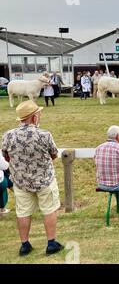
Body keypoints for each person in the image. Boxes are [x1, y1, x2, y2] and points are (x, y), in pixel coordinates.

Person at [2, 100, 64, 256]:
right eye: (39, 113)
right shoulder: (44, 135)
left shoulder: (8, 135)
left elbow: (6, 156)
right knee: (49, 210)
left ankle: (24, 245)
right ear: (35, 117)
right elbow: (54, 155)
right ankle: (51, 243)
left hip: (21, 181)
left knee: (23, 212)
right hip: (44, 180)